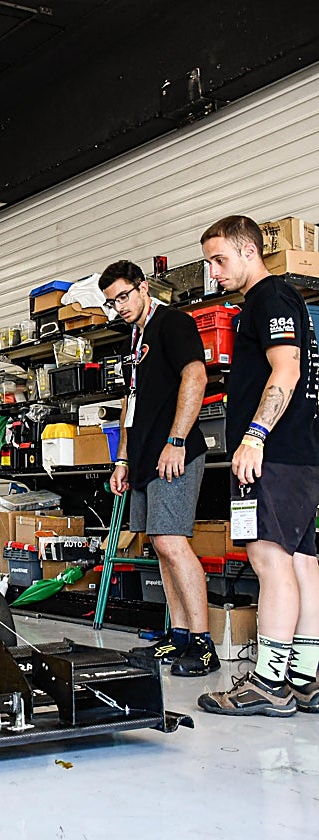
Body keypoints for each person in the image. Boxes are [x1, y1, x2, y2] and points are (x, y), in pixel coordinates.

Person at [197, 215, 319, 717]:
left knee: (269, 561)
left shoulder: (270, 298)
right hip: (300, 456)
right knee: (302, 563)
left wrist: (254, 436)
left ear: (250, 252)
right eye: (209, 262)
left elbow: (286, 369)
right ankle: (306, 679)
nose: (213, 272)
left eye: (219, 259)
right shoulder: (278, 302)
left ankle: (269, 682)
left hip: (275, 454)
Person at [100, 260, 215, 676]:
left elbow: (196, 378)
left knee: (172, 541)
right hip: (145, 457)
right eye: (112, 302)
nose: (119, 306)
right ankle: (180, 636)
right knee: (159, 546)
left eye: (124, 296)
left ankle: (203, 644)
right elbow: (131, 404)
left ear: (143, 287)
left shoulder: (173, 323)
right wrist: (124, 458)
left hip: (175, 452)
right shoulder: (135, 338)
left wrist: (176, 441)